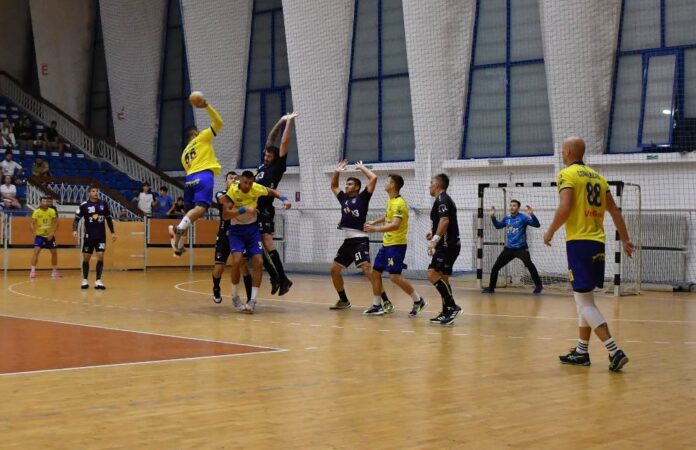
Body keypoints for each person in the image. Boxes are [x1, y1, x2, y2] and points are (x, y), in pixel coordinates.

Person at [544, 136, 635, 372]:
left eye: (562, 150)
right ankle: (581, 352)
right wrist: (625, 239)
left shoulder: (567, 174)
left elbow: (565, 207)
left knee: (583, 302)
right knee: (585, 299)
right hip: (598, 243)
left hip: (579, 243)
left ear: (567, 152)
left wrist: (550, 231)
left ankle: (614, 351)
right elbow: (614, 211)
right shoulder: (598, 177)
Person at [221, 170, 291, 313]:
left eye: (250, 183)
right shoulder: (232, 191)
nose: (248, 186)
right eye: (245, 183)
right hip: (236, 230)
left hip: (252, 230)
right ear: (240, 181)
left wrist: (284, 199)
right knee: (237, 260)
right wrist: (244, 209)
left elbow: (272, 192)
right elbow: (225, 215)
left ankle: (252, 300)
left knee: (259, 261)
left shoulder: (256, 188)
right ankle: (235, 296)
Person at [169, 92, 223, 257]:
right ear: (194, 134)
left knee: (190, 216)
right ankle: (177, 229)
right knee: (201, 209)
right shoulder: (201, 138)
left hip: (189, 180)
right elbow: (219, 122)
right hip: (203, 176)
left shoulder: (184, 153)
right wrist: (206, 106)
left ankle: (178, 246)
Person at [363, 174, 424, 316]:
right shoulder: (391, 200)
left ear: (393, 185)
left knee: (394, 276)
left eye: (387, 181)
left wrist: (375, 229)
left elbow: (395, 225)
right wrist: (375, 222)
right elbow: (388, 216)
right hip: (387, 244)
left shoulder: (400, 203)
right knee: (375, 273)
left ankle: (418, 300)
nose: (385, 183)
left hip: (396, 245)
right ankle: (377, 305)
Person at [255, 112, 298, 296]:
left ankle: (281, 278)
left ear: (275, 157)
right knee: (254, 245)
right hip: (254, 209)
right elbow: (271, 138)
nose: (266, 157)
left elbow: (283, 142)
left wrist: (289, 123)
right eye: (265, 155)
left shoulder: (278, 166)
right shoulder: (262, 166)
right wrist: (280, 120)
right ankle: (276, 277)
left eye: (269, 156)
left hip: (265, 209)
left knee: (266, 243)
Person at [328, 160, 377, 310]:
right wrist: (337, 171)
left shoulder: (363, 197)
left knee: (367, 269)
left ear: (356, 187)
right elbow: (334, 186)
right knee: (334, 270)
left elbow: (373, 178)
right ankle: (343, 300)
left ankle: (384, 300)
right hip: (348, 241)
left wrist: (361, 167)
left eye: (350, 184)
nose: (346, 186)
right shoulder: (343, 198)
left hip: (360, 239)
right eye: (346, 184)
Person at [482, 200, 543, 294]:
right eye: (510, 205)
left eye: (514, 206)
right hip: (509, 249)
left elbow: (537, 225)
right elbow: (498, 226)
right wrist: (492, 217)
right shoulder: (507, 218)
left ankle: (539, 286)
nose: (511, 207)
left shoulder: (523, 218)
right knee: (495, 267)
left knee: (529, 265)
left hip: (521, 248)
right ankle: (491, 288)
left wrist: (532, 215)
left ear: (518, 208)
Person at [211, 171, 252, 304]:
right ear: (226, 182)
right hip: (224, 236)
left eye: (235, 178)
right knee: (218, 269)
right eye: (230, 178)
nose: (233, 180)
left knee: (243, 265)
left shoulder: (243, 194)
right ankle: (216, 288)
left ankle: (250, 298)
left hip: (239, 234)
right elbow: (223, 201)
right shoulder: (221, 194)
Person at [427, 173, 462, 325]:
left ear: (437, 185)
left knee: (432, 273)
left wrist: (434, 240)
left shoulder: (442, 199)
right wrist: (433, 233)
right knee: (444, 278)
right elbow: (443, 222)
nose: (429, 186)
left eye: (431, 183)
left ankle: (452, 307)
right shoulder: (442, 200)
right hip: (450, 245)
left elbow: (445, 220)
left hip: (447, 246)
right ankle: (446, 312)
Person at [73, 186, 117, 289]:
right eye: (93, 191)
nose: (96, 193)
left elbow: (108, 219)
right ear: (89, 193)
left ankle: (98, 281)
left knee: (100, 256)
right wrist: (74, 230)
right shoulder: (84, 205)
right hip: (89, 236)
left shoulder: (103, 204)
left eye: (97, 191)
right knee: (86, 258)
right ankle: (85, 280)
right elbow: (76, 219)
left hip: (101, 236)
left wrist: (113, 232)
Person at [29, 196, 60, 278]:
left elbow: (56, 222)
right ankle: (32, 271)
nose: (45, 203)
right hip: (40, 236)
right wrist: (34, 232)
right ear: (40, 202)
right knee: (36, 252)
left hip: (49, 236)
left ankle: (54, 271)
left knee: (54, 252)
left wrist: (52, 233)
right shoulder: (36, 212)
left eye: (46, 201)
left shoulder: (52, 211)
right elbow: (32, 223)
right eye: (43, 201)